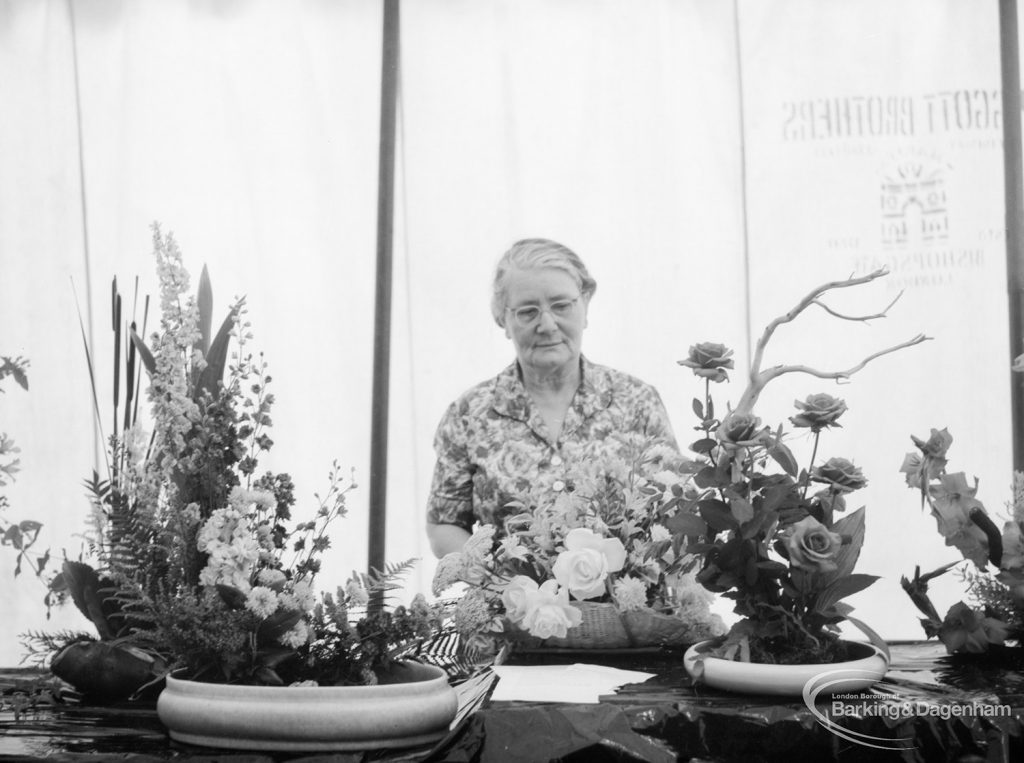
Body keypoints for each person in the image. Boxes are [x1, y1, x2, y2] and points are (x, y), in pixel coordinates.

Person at [425, 238, 679, 557]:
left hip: (626, 607)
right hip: (512, 606)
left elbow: (676, 506)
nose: (547, 325)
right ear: (502, 319)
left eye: (561, 305)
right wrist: (495, 576)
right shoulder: (469, 414)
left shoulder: (636, 401)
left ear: (585, 303)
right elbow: (444, 524)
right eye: (528, 312)